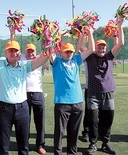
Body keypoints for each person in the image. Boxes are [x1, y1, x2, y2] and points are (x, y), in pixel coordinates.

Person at [0, 27, 49, 154]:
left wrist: (47, 40)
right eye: (10, 51)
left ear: (19, 53)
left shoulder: (25, 65)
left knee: (23, 146)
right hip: (5, 109)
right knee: (3, 145)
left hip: (22, 108)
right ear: (6, 52)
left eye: (16, 51)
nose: (13, 53)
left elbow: (43, 59)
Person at [50, 27, 94, 155]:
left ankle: (72, 153)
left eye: (70, 52)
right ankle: (58, 153)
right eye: (66, 52)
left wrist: (90, 33)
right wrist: (50, 37)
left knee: (74, 132)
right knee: (59, 132)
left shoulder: (76, 60)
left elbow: (91, 49)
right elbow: (48, 51)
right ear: (61, 52)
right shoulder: (57, 61)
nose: (68, 54)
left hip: (78, 102)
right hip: (62, 103)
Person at [85, 16, 125, 155]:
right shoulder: (90, 57)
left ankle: (105, 143)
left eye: (103, 47)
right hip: (93, 94)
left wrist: (119, 27)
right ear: (95, 48)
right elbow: (80, 48)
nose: (101, 49)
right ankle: (93, 144)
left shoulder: (109, 56)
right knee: (93, 120)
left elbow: (120, 44)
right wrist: (88, 32)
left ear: (106, 48)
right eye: (99, 47)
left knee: (108, 119)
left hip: (108, 93)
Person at [20, 43, 46, 154]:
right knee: (25, 121)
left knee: (40, 122)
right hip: (24, 95)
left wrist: (47, 36)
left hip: (38, 94)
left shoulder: (40, 59)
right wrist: (12, 32)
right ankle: (25, 144)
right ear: (25, 52)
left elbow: (47, 51)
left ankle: (40, 145)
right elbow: (14, 43)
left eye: (32, 51)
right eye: (28, 51)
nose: (30, 53)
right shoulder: (22, 59)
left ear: (36, 51)